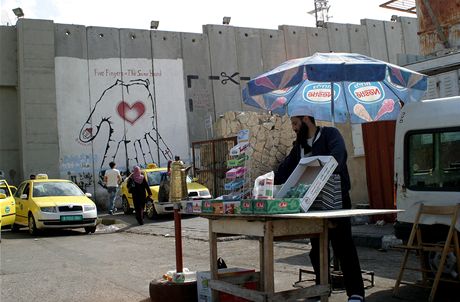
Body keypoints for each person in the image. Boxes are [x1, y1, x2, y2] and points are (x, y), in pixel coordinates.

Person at [274, 115, 365, 302]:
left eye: (295, 123)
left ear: (307, 119)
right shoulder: (299, 145)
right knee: (317, 249)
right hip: (312, 204)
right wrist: (265, 182)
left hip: (336, 201)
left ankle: (356, 293)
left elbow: (338, 158)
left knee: (343, 247)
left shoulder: (330, 134)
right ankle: (321, 288)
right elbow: (285, 169)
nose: (293, 128)